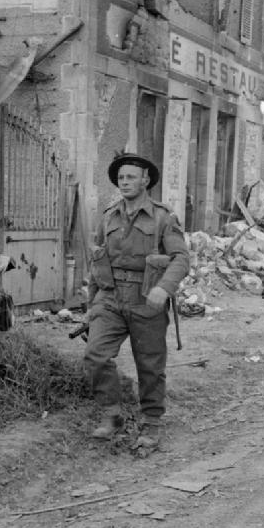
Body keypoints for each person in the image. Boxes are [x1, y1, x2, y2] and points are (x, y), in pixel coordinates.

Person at [84, 153, 190, 453]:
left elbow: (181, 258)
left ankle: (151, 423)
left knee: (150, 365)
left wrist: (164, 288)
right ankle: (112, 414)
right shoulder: (108, 216)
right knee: (95, 356)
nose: (125, 182)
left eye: (131, 176)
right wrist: (90, 306)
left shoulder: (163, 217)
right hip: (110, 297)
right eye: (121, 178)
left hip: (147, 299)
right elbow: (97, 261)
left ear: (146, 180)